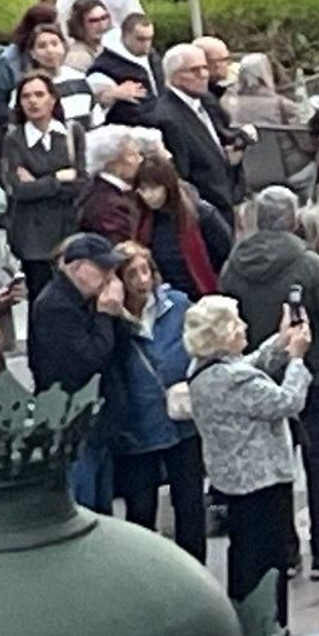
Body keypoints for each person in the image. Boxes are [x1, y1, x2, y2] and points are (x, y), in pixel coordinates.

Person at [219, 185, 319, 580]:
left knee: (279, 462)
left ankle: (286, 549)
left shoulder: (234, 265)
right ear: (294, 220)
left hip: (262, 374)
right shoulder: (309, 265)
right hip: (317, 374)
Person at [184, 292, 311, 631]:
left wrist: (280, 341)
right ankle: (270, 628)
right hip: (261, 480)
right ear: (222, 335)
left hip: (234, 480)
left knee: (244, 555)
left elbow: (249, 366)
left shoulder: (205, 370)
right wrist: (297, 360)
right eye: (236, 323)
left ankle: (251, 626)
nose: (244, 327)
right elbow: (287, 401)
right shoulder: (233, 380)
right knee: (268, 561)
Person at [109, 241, 206, 562]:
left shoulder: (177, 305)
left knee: (190, 502)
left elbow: (202, 345)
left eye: (145, 271)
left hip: (182, 420)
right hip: (137, 425)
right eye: (132, 274)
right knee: (141, 507)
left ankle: (195, 569)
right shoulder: (112, 318)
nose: (142, 280)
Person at [28, 233, 126, 508]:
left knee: (102, 502)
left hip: (96, 417)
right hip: (72, 421)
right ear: (78, 267)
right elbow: (86, 361)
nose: (109, 276)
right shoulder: (56, 307)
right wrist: (105, 316)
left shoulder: (85, 300)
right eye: (101, 268)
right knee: (83, 502)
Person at [0, 71, 86, 301]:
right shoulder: (14, 139)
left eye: (39, 94)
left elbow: (80, 183)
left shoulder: (71, 132)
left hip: (67, 229)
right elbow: (19, 189)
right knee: (41, 299)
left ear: (53, 98)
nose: (33, 101)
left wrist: (39, 183)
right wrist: (57, 178)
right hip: (33, 237)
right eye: (26, 96)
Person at [154, 43, 246, 226]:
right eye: (194, 70)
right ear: (175, 75)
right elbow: (182, 173)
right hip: (203, 212)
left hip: (226, 198)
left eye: (204, 68)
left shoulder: (207, 101)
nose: (203, 75)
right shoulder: (167, 117)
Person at [135, 154, 231, 299]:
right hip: (167, 298)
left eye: (154, 188)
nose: (148, 195)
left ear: (168, 186)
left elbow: (226, 253)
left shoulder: (202, 214)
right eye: (143, 189)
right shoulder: (144, 222)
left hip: (205, 294)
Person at [76, 125, 146, 243]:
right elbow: (119, 247)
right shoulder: (108, 205)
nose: (140, 160)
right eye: (131, 155)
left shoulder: (102, 189)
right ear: (111, 161)